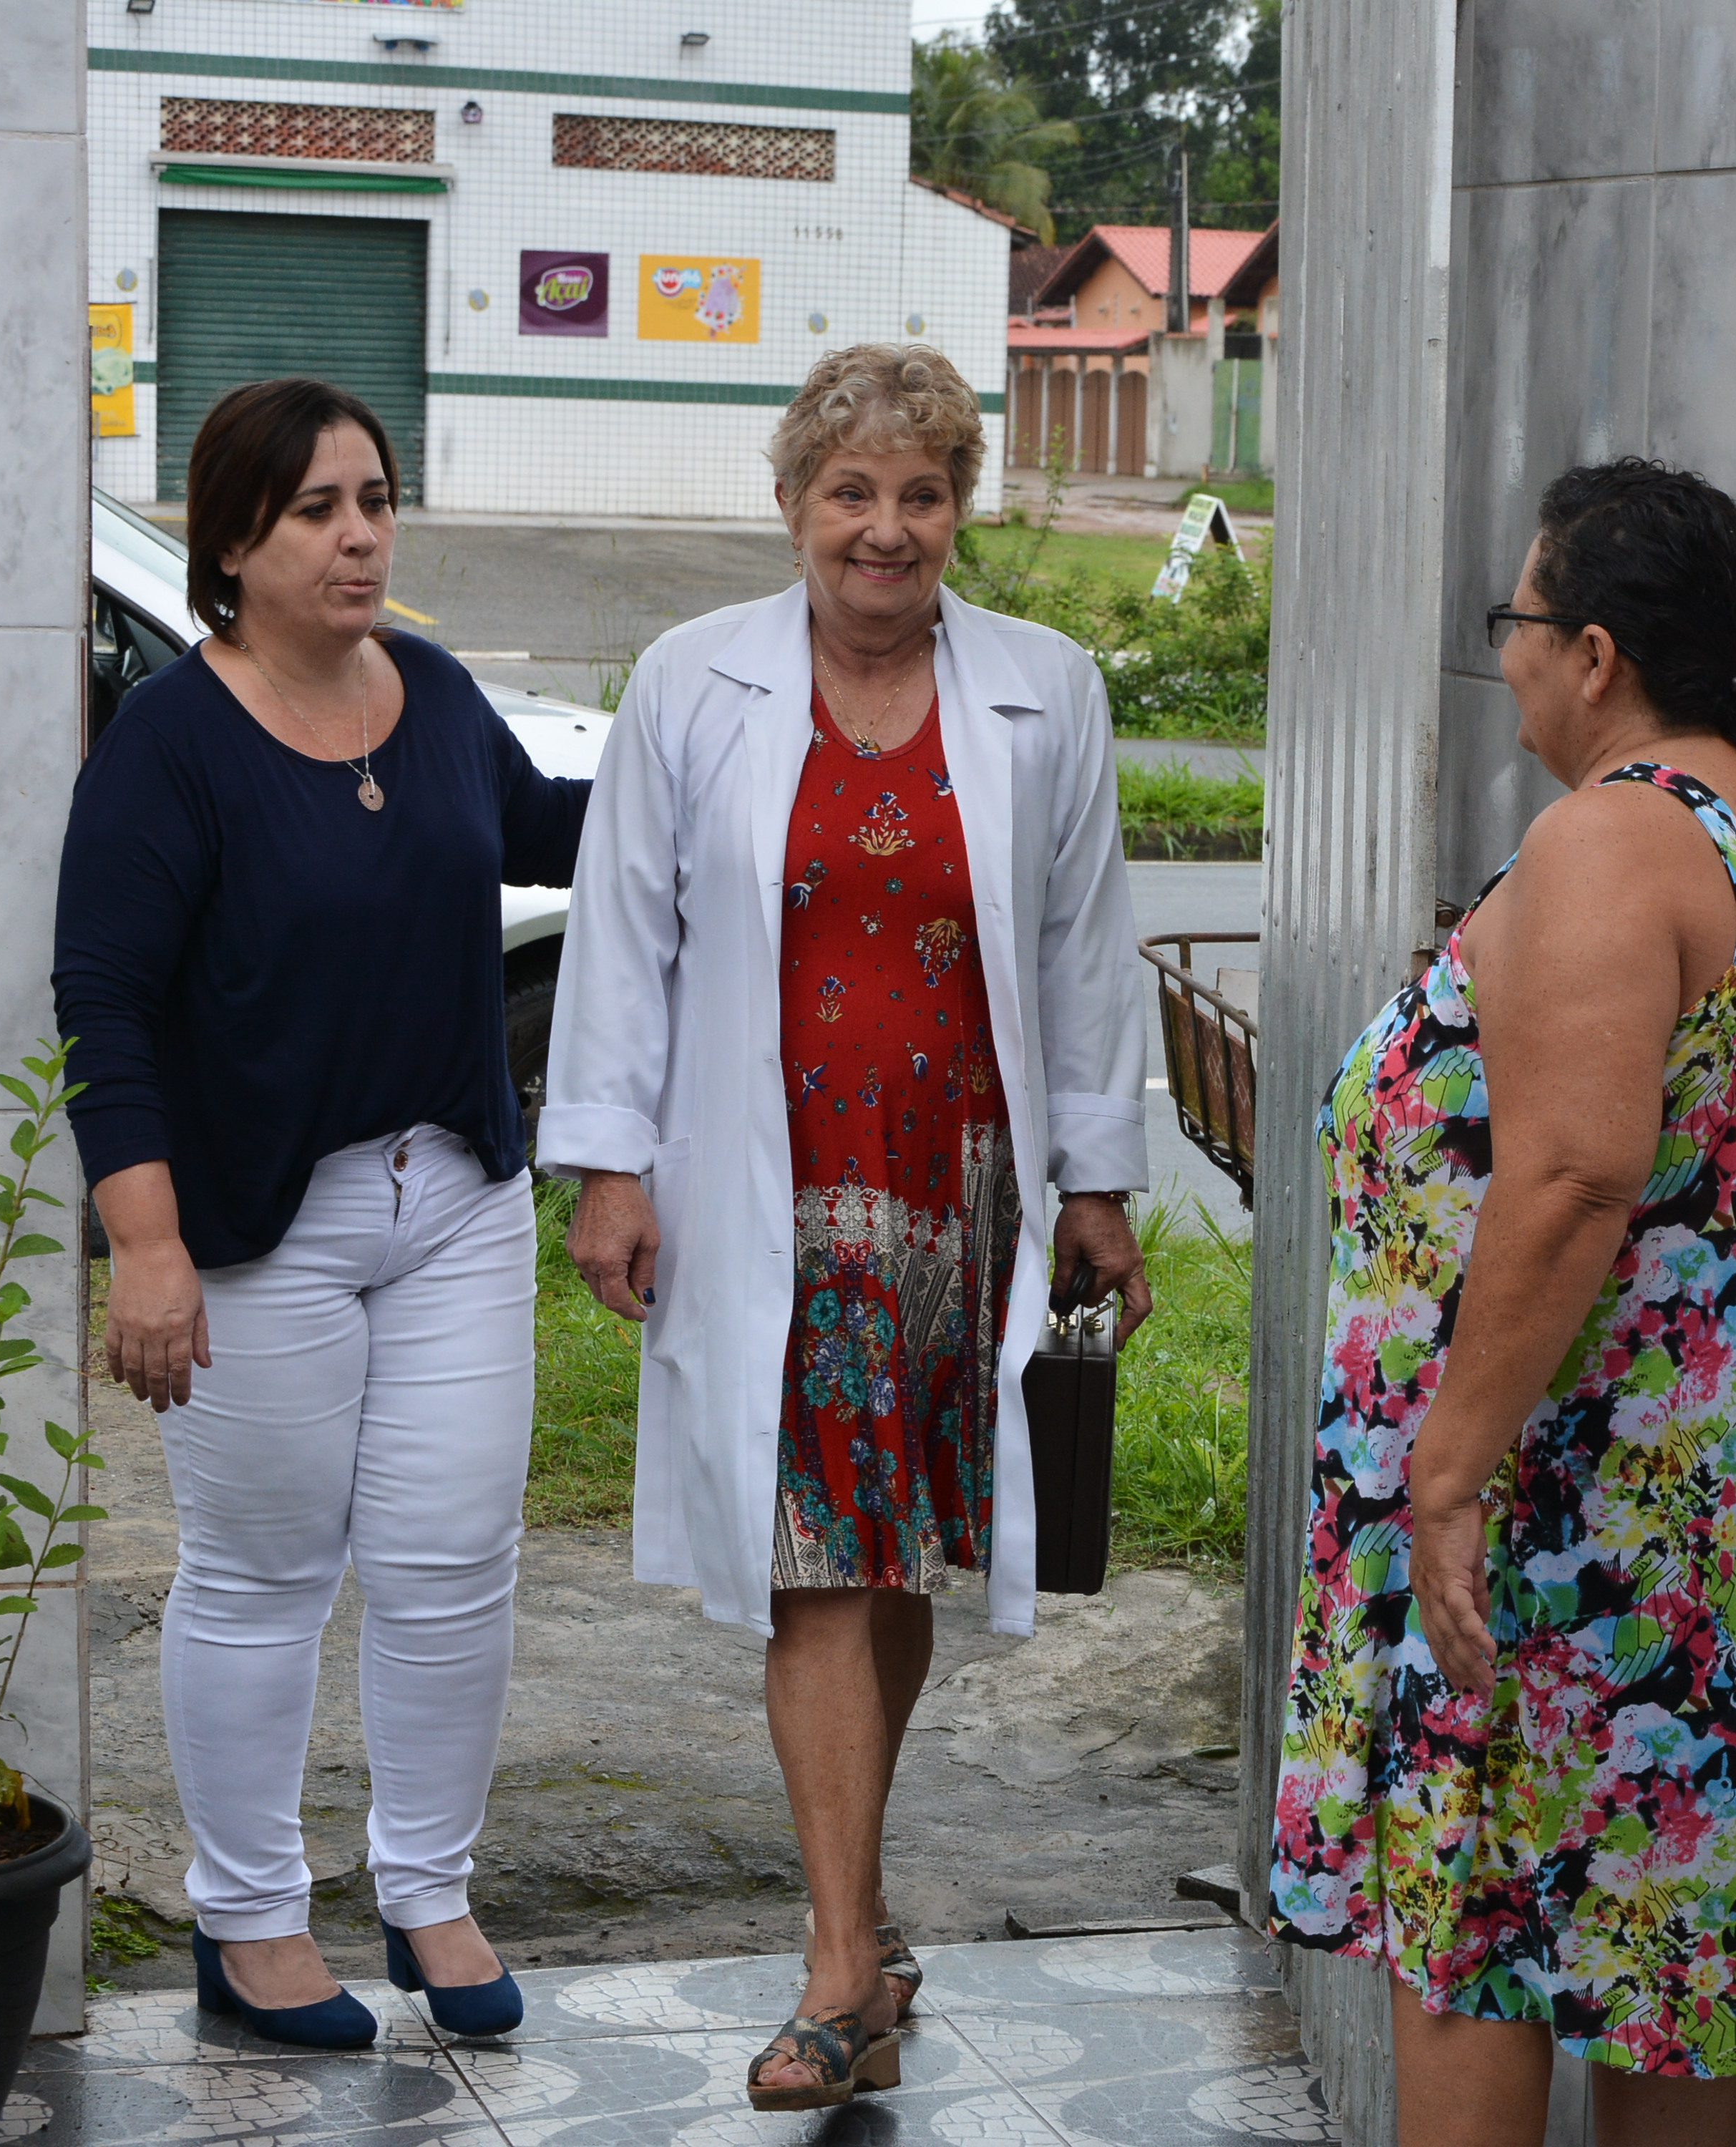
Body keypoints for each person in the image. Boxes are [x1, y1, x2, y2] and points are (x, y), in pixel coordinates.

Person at [542, 343, 1154, 2113]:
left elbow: (1083, 954)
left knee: (893, 1561)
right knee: (817, 1559)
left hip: (963, 1193)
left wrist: (1095, 1183)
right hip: (773, 1188)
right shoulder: (694, 680)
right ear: (794, 504)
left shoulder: (1048, 689)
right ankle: (836, 1974)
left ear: (961, 507)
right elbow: (622, 931)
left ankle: (862, 1923)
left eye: (923, 494)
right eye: (852, 494)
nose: (886, 531)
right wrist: (608, 1160)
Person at [1268, 461, 1736, 2142]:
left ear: (1599, 650)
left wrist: (1450, 1473)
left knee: (1485, 1935)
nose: (1515, 663)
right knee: (1669, 1962)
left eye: (1522, 626)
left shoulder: (1614, 836)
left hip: (1575, 1523)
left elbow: (1571, 1177)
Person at [53, 378, 590, 2048]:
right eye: (317, 511)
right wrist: (145, 1245)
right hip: (252, 1229)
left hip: (455, 1206)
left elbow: (553, 828)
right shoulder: (173, 743)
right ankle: (250, 1919)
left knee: (451, 1564)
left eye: (375, 500)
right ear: (232, 540)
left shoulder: (427, 694)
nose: (360, 535)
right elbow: (105, 1001)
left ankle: (428, 1889)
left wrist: (727, 740)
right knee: (266, 1569)